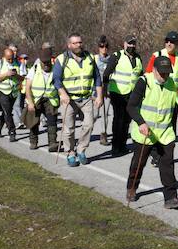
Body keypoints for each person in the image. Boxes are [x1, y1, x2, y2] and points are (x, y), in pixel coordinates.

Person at [125, 56, 178, 209]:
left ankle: (171, 198)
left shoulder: (171, 84)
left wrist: (173, 130)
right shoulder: (143, 82)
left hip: (165, 133)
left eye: (167, 73)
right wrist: (141, 122)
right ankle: (132, 188)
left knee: (167, 164)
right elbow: (131, 107)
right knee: (138, 163)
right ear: (154, 70)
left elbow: (173, 109)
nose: (165, 76)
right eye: (162, 73)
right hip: (145, 132)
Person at [55, 34, 103, 166]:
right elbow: (56, 80)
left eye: (80, 42)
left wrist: (99, 96)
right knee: (68, 129)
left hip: (86, 98)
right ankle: (70, 153)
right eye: (75, 43)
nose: (78, 45)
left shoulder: (90, 57)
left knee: (89, 124)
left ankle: (81, 150)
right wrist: (63, 94)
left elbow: (97, 78)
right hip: (69, 100)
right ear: (69, 45)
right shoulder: (62, 59)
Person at [104, 37, 143, 157]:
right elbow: (106, 73)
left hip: (131, 94)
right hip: (117, 93)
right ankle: (116, 147)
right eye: (129, 43)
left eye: (133, 44)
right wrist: (105, 90)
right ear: (124, 44)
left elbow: (141, 75)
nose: (131, 46)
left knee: (127, 120)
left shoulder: (138, 58)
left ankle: (123, 145)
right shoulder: (117, 56)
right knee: (119, 120)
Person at [23, 42, 60, 151]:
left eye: (48, 62)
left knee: (52, 121)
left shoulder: (55, 69)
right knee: (34, 122)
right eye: (44, 62)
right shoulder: (34, 69)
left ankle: (52, 143)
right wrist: (30, 102)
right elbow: (28, 87)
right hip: (36, 99)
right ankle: (33, 141)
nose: (46, 64)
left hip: (50, 100)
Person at [0, 44, 22, 141]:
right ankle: (12, 132)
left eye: (12, 58)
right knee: (8, 112)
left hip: (13, 92)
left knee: (6, 111)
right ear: (5, 56)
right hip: (2, 91)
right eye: (8, 59)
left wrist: (16, 75)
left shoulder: (18, 63)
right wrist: (6, 74)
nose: (10, 60)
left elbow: (23, 78)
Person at [94, 37, 114, 147]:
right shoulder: (95, 59)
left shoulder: (111, 59)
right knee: (94, 114)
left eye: (106, 46)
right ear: (98, 47)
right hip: (96, 90)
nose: (104, 48)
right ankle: (86, 131)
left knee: (105, 113)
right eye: (102, 46)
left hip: (107, 89)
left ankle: (103, 134)